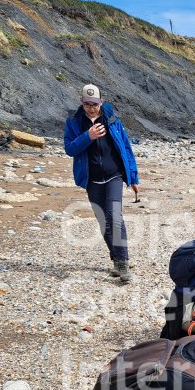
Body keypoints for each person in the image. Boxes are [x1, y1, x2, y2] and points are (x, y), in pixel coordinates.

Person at [64, 84, 139, 282]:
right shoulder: (74, 121)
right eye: (87, 104)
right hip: (92, 179)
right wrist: (88, 137)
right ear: (82, 102)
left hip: (114, 175)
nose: (91, 108)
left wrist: (133, 177)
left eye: (95, 104)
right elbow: (70, 148)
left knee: (114, 216)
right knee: (103, 220)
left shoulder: (112, 119)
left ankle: (123, 264)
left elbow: (125, 147)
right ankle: (116, 260)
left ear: (101, 102)